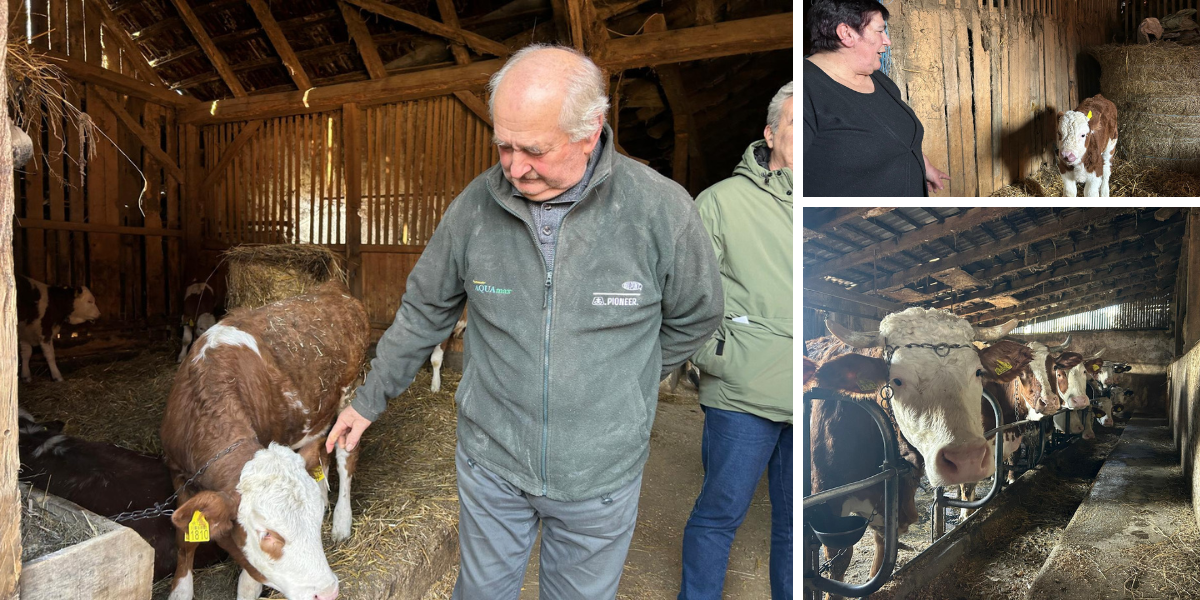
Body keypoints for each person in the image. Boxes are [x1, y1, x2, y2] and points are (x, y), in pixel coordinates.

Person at [325, 45, 724, 599]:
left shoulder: (660, 211)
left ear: (591, 132)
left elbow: (697, 313)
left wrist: (625, 381)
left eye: (533, 149)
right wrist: (368, 399)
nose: (513, 167)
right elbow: (424, 311)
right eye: (504, 145)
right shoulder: (475, 208)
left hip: (598, 473)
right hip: (492, 461)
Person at [678, 82, 793, 600]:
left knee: (797, 523)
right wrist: (719, 355)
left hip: (813, 394)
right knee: (720, 513)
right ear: (770, 134)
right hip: (743, 395)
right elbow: (682, 293)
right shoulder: (721, 203)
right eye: (795, 126)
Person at [804, 0, 950, 196]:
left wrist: (922, 165)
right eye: (880, 31)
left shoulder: (878, 79)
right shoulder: (804, 90)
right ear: (846, 34)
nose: (887, 41)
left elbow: (893, 135)